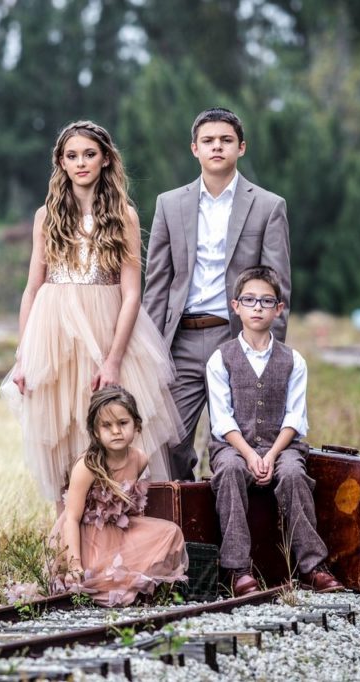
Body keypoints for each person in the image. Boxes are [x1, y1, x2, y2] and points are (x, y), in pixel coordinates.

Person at [0, 121, 183, 502]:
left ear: (104, 159)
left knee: (112, 427)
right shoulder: (45, 217)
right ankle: (67, 542)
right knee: (61, 437)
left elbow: (132, 293)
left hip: (105, 332)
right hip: (54, 338)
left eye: (89, 154)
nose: (81, 162)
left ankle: (115, 535)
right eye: (72, 156)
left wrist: (113, 360)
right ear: (61, 163)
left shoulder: (124, 216)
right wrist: (23, 357)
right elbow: (32, 288)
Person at [142, 107, 292, 481]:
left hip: (238, 338)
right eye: (208, 141)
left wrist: (269, 353)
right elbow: (157, 284)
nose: (217, 147)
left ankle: (230, 530)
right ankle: (186, 527)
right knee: (169, 442)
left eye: (226, 140)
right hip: (183, 342)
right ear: (195, 148)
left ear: (241, 148)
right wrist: (148, 348)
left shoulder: (268, 206)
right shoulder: (169, 204)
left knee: (237, 448)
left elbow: (279, 285)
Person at [205, 266, 343, 596]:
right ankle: (238, 569)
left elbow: (296, 418)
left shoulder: (293, 360)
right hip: (235, 447)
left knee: (295, 474)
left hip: (282, 446)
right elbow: (222, 421)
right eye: (249, 300)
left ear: (278, 309)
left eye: (266, 301)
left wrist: (272, 454)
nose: (257, 307)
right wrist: (251, 455)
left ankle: (312, 565)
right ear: (235, 306)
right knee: (230, 470)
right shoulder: (220, 358)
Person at [50, 386, 188, 606]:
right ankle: (101, 580)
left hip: (119, 531)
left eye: (123, 423)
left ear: (137, 425)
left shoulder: (139, 459)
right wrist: (75, 564)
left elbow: (130, 509)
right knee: (102, 573)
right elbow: (71, 519)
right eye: (107, 426)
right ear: (96, 432)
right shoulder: (87, 466)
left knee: (170, 532)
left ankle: (136, 581)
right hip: (87, 537)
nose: (116, 431)